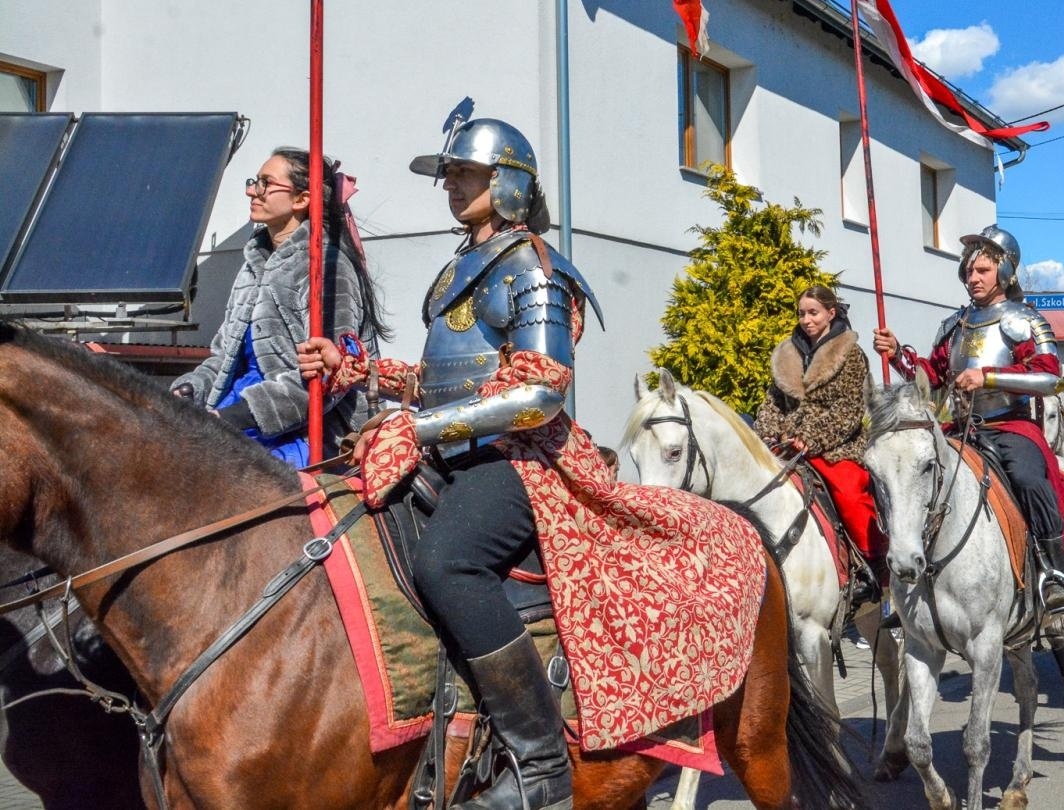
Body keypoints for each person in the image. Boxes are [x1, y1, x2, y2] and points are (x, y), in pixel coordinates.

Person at [299, 114, 761, 810]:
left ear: (509, 183)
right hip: (454, 450)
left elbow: (539, 393)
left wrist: (418, 431)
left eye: (467, 174)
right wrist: (359, 370)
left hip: (522, 460)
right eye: (449, 174)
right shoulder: (463, 268)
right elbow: (446, 379)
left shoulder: (536, 270)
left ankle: (539, 762)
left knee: (446, 564)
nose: (452, 185)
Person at [872, 225, 1064, 614]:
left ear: (1004, 273)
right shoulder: (954, 325)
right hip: (958, 429)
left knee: (1031, 480)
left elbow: (1049, 377)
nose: (973, 277)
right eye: (969, 270)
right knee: (911, 477)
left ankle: (1053, 574)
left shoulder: (1024, 320)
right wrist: (899, 354)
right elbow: (932, 377)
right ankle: (908, 586)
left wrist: (989, 376)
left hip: (1010, 427)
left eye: (982, 270)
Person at [171, 148, 385, 467]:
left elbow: (331, 377)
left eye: (265, 184)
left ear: (301, 199)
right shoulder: (253, 265)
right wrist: (191, 389)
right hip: (232, 413)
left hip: (303, 432)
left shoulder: (327, 268)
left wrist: (233, 416)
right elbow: (225, 357)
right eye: (253, 182)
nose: (251, 191)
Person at [753, 285, 883, 605]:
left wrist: (811, 439)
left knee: (851, 494)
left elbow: (849, 409)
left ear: (830, 314)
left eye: (813, 313)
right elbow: (773, 404)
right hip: (786, 444)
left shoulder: (850, 354)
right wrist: (768, 434)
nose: (806, 320)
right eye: (802, 313)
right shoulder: (788, 353)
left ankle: (871, 566)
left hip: (835, 446)